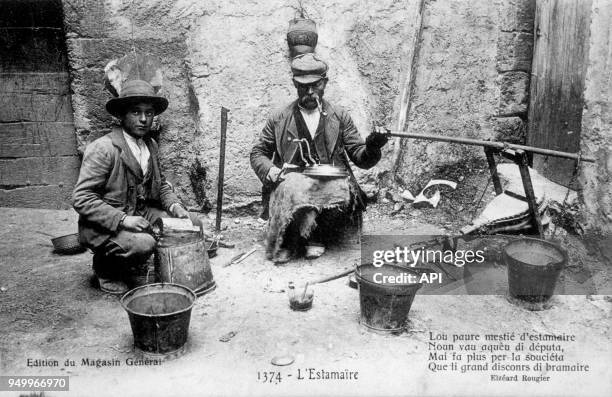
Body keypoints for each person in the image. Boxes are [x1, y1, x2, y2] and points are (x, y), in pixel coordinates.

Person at [250, 53, 388, 263]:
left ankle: (318, 235)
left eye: (316, 85)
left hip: (326, 183)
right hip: (292, 184)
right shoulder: (279, 118)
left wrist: (373, 146)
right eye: (303, 87)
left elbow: (361, 158)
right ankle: (289, 239)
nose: (310, 92)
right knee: (292, 189)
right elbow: (258, 153)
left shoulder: (339, 117)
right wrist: (270, 170)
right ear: (295, 85)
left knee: (342, 189)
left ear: (325, 83)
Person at [73, 79, 189, 294]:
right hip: (105, 225)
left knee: (189, 223)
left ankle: (138, 263)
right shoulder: (103, 149)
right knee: (143, 244)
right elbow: (82, 198)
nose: (144, 119)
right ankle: (105, 269)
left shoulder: (150, 145)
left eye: (149, 113)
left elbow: (161, 184)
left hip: (138, 211)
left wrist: (175, 206)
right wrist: (124, 220)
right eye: (136, 112)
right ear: (121, 115)